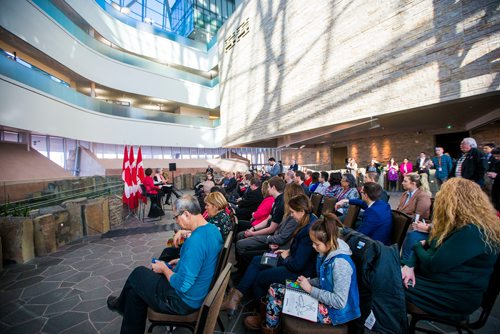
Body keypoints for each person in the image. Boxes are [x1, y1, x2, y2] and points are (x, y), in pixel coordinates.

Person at [107, 195, 223, 334]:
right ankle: (122, 306)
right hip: (196, 293)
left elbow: (182, 285)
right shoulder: (212, 230)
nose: (176, 221)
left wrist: (164, 269)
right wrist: (181, 261)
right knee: (136, 289)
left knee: (138, 274)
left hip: (182, 301)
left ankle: (121, 305)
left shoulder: (195, 241)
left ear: (186, 214)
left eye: (176, 217)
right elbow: (205, 258)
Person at [401, 178, 500, 321]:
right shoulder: (462, 225)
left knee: (382, 281)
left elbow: (432, 264)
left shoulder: (474, 231)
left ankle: (388, 326)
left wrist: (417, 247)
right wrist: (410, 264)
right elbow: (429, 245)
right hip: (443, 282)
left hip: (451, 295)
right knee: (383, 272)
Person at [250, 213, 360, 331]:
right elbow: (326, 280)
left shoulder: (340, 264)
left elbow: (339, 302)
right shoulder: (327, 253)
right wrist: (310, 282)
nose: (313, 246)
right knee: (274, 288)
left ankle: (270, 326)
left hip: (334, 313)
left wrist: (310, 289)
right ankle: (270, 326)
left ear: (329, 242)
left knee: (276, 292)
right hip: (325, 301)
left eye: (316, 244)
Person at [221, 194, 318, 319]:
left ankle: (262, 315)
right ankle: (236, 297)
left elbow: (297, 265)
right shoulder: (308, 220)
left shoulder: (308, 230)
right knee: (257, 260)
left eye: (293, 212)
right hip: (291, 259)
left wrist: (285, 256)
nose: (291, 215)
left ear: (302, 211)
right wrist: (287, 251)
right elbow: (300, 251)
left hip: (298, 272)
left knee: (261, 277)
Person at [235, 183, 305, 270]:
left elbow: (282, 238)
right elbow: (279, 233)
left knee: (254, 260)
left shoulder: (293, 218)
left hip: (279, 253)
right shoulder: (290, 213)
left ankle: (242, 274)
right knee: (252, 258)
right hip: (276, 247)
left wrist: (258, 235)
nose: (283, 195)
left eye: (285, 193)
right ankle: (242, 274)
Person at [158, 192, 232, 262]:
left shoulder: (217, 222)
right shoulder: (222, 216)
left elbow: (202, 239)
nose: (205, 207)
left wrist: (165, 269)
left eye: (207, 205)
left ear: (215, 206)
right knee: (168, 251)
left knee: (167, 252)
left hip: (207, 255)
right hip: (211, 254)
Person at [487, 147, 500, 212]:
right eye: (495, 156)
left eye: (498, 156)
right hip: (496, 186)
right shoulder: (497, 163)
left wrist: (497, 175)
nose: (496, 158)